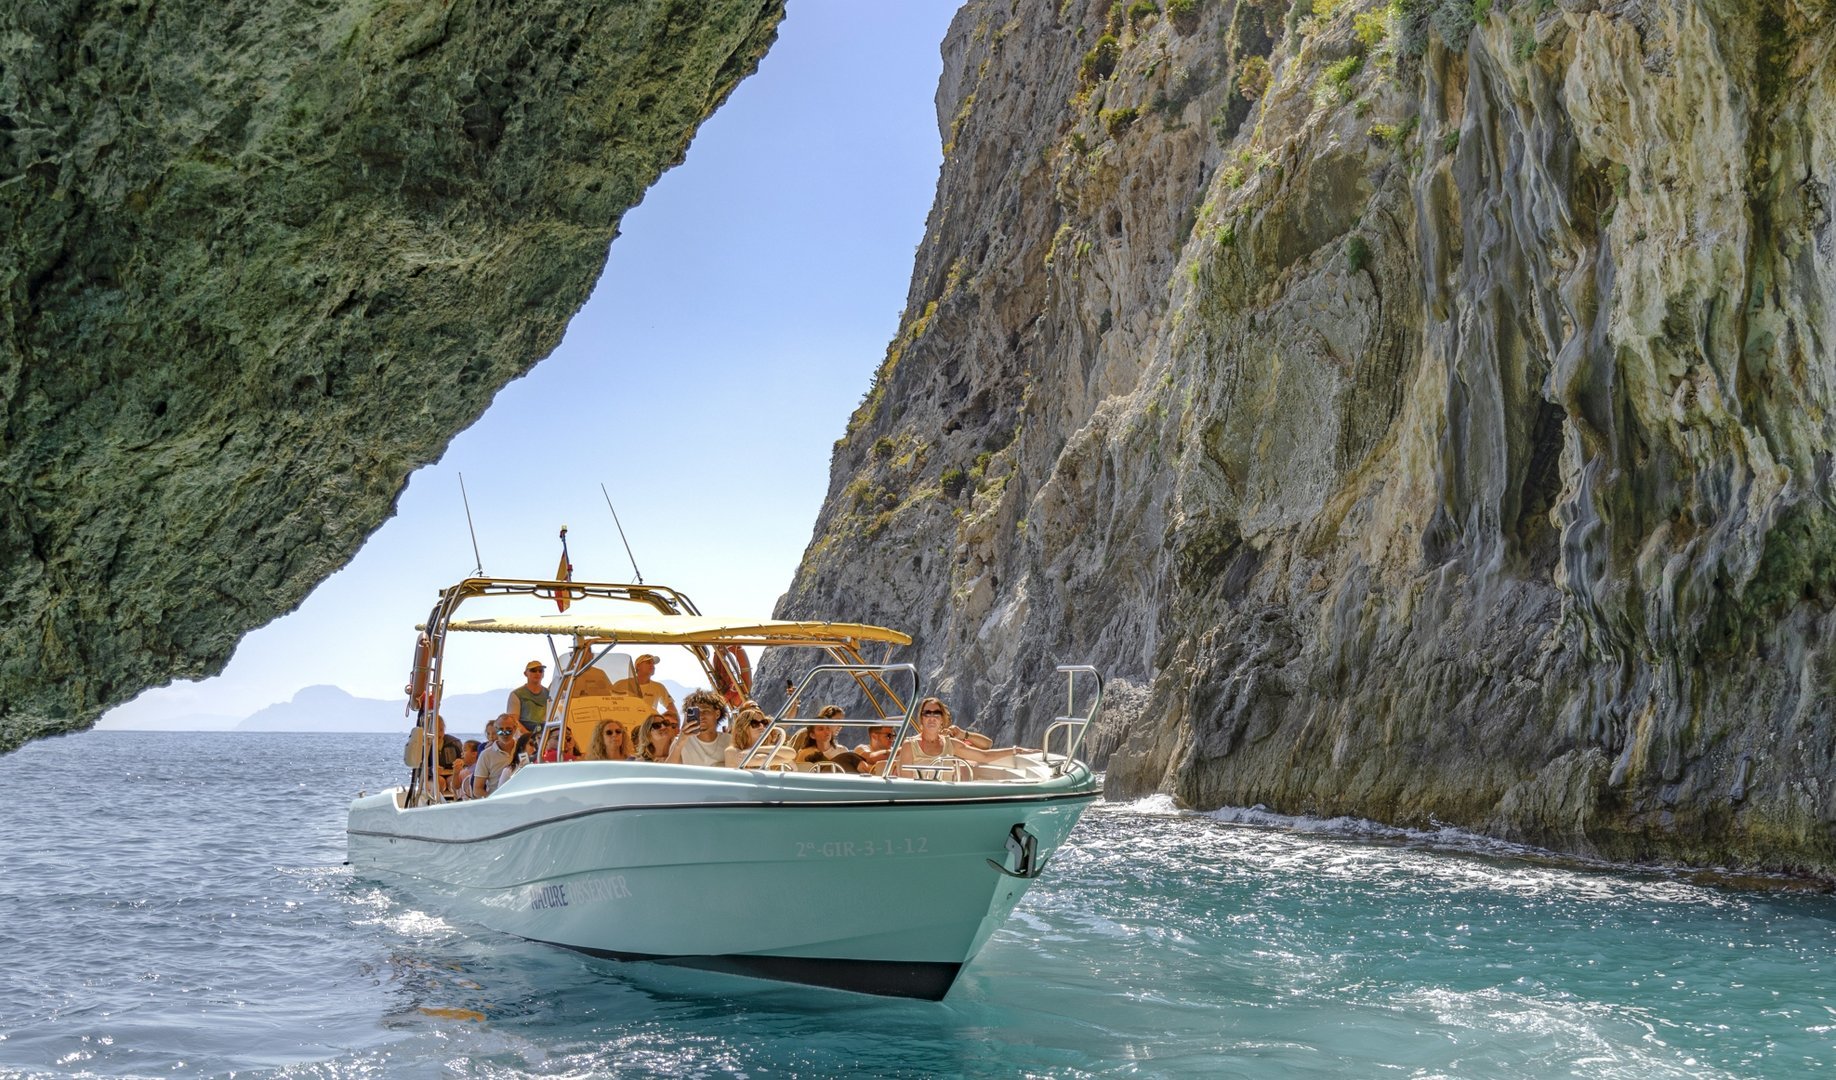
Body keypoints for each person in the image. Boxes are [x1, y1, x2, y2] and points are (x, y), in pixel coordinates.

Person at [890, 697, 1016, 778]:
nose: (932, 717)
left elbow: (985, 756)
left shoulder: (951, 744)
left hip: (946, 799)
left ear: (942, 719)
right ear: (922, 718)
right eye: (927, 713)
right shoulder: (909, 745)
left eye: (937, 713)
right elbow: (905, 783)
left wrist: (1015, 750)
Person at [792, 705, 871, 773]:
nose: (840, 726)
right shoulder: (805, 751)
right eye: (837, 722)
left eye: (828, 728)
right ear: (812, 735)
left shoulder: (842, 749)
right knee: (850, 757)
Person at [403, 715, 463, 795]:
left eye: (441, 730)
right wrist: (432, 770)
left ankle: (458, 800)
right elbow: (417, 767)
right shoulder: (421, 745)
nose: (439, 734)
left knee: (452, 782)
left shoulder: (454, 743)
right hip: (430, 777)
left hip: (451, 774)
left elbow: (464, 760)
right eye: (435, 730)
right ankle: (439, 803)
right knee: (439, 781)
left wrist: (460, 764)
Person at [668, 689, 729, 767]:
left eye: (706, 711)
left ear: (717, 714)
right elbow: (669, 771)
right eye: (697, 712)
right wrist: (679, 743)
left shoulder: (729, 741)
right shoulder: (680, 742)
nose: (701, 716)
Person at [610, 652, 676, 715]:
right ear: (638, 666)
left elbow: (672, 710)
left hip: (648, 725)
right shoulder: (621, 684)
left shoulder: (659, 687)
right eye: (648, 662)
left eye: (653, 664)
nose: (652, 666)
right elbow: (609, 704)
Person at [472, 722, 518, 797]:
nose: (491, 737)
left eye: (494, 733)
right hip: (494, 796)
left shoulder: (521, 747)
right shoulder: (484, 750)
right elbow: (477, 788)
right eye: (488, 734)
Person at [505, 660, 548, 732]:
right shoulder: (516, 694)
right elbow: (513, 721)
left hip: (544, 733)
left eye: (540, 671)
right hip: (524, 737)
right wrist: (528, 735)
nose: (537, 673)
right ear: (525, 673)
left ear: (543, 674)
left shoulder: (550, 693)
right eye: (533, 670)